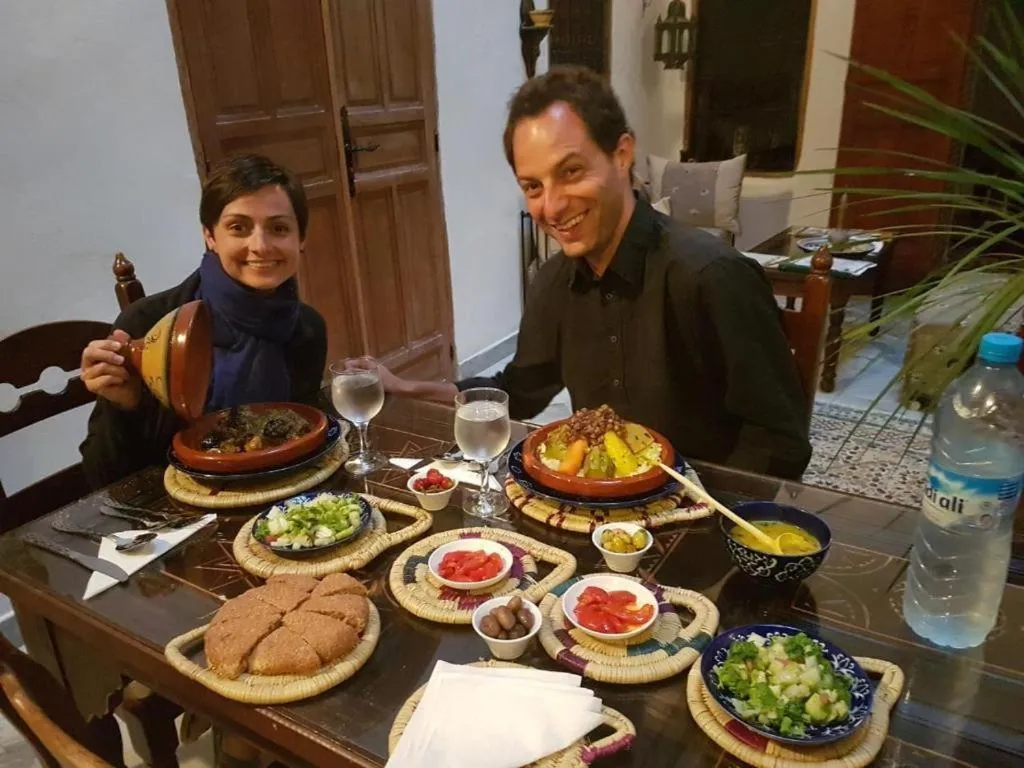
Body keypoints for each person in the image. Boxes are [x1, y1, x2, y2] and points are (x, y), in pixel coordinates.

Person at [358, 66, 812, 479]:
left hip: (698, 518)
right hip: (595, 511)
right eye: (533, 186)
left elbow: (780, 441)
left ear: (621, 155)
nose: (551, 207)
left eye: (571, 171)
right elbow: (519, 392)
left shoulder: (711, 276)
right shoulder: (553, 282)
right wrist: (407, 386)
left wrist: (700, 517)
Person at [79, 154, 327, 488]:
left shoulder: (306, 329)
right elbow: (102, 480)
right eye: (238, 228)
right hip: (177, 513)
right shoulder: (148, 324)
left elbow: (301, 442)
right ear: (210, 235)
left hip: (278, 499)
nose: (260, 246)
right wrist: (125, 406)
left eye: (279, 228)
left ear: (301, 240)